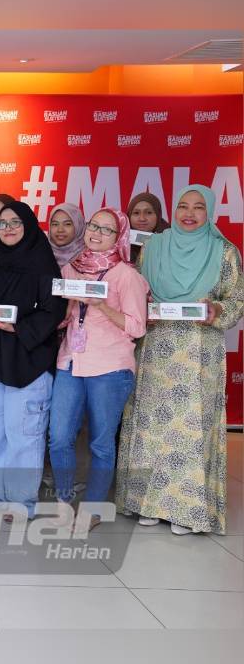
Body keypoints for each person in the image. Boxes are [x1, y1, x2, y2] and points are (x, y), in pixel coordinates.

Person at [116, 185, 244, 535]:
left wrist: (216, 309)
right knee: (151, 426)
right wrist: (143, 313)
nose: (189, 213)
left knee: (190, 428)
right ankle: (147, 502)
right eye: (183, 206)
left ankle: (185, 509)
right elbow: (138, 292)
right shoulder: (154, 247)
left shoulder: (225, 252)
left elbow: (237, 300)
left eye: (198, 207)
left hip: (199, 352)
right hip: (156, 348)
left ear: (209, 212)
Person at [49, 208, 148, 530]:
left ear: (118, 236)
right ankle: (63, 503)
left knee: (101, 443)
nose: (96, 233)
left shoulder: (126, 276)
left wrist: (101, 304)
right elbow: (63, 318)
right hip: (70, 361)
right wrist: (64, 310)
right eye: (93, 226)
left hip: (109, 366)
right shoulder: (70, 269)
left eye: (106, 230)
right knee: (59, 437)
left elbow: (136, 326)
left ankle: (92, 509)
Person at [0, 201, 66, 521]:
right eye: (2, 223)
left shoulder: (44, 265)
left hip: (27, 364)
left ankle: (20, 501)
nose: (9, 229)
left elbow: (53, 311)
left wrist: (15, 327)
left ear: (28, 225)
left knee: (23, 435)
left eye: (15, 222)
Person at [126, 191, 170, 261]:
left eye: (149, 213)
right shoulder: (118, 244)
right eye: (136, 213)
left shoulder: (171, 241)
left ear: (158, 215)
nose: (142, 218)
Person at [48, 203, 87, 268]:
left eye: (67, 224)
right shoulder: (40, 253)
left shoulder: (89, 258)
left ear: (79, 226)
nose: (60, 230)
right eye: (55, 224)